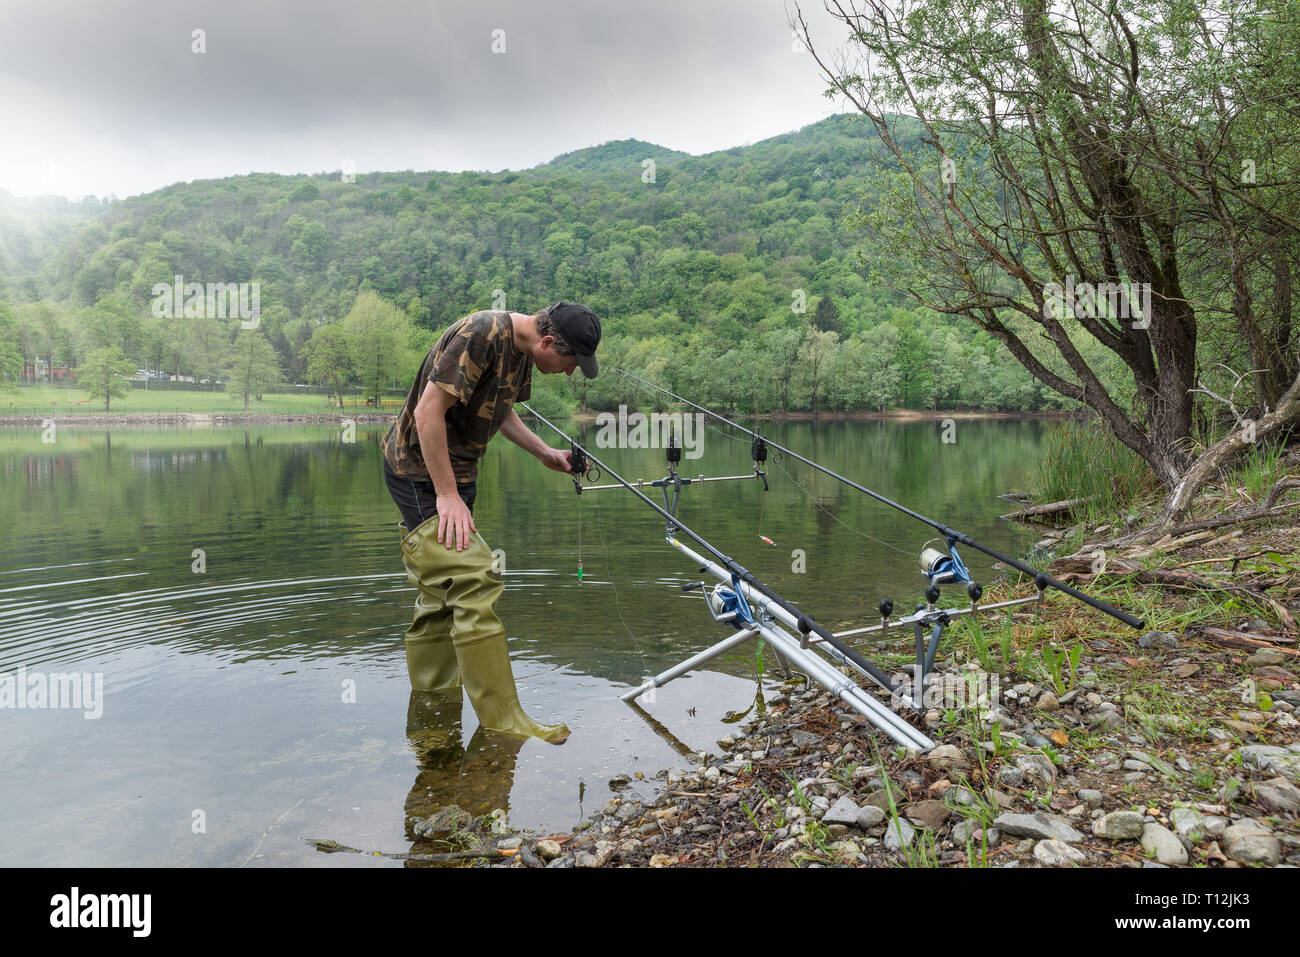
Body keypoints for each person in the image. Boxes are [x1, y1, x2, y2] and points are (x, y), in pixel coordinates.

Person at [381, 301, 601, 743]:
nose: (570, 372)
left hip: (455, 474)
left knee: (442, 592)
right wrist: (445, 495)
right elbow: (428, 413)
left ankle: (434, 705)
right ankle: (504, 722)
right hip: (420, 472)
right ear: (548, 341)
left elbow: (500, 412)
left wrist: (544, 454)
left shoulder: (520, 353)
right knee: (475, 578)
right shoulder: (481, 334)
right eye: (571, 362)